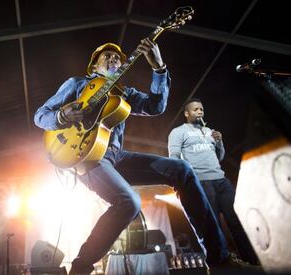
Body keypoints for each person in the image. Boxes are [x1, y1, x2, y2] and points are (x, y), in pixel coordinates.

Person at [35, 40, 231, 274]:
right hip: (87, 157)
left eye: (117, 57)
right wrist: (61, 116)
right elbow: (40, 115)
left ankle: (219, 260)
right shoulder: (76, 84)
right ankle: (81, 268)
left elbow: (155, 106)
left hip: (116, 157)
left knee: (182, 170)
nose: (113, 59)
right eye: (106, 55)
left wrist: (159, 69)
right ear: (94, 66)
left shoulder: (124, 93)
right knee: (129, 202)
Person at [168, 98, 259, 265]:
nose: (199, 111)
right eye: (195, 109)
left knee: (236, 221)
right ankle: (222, 262)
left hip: (221, 180)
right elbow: (174, 158)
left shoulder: (210, 131)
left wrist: (219, 142)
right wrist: (180, 181)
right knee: (214, 224)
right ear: (187, 113)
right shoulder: (178, 132)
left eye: (201, 109)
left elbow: (219, 157)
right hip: (202, 182)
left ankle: (251, 260)